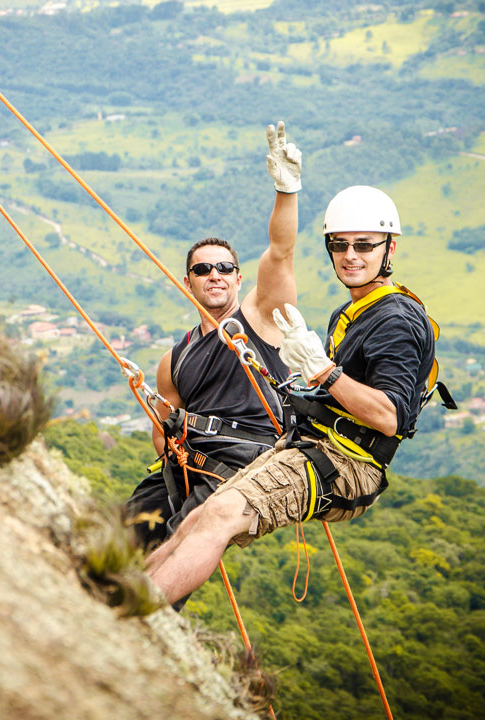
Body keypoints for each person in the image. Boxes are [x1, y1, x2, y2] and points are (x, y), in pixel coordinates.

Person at [144, 185, 443, 604]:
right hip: (314, 446)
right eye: (339, 245)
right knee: (201, 516)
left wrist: (325, 371)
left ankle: (139, 612)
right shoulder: (353, 312)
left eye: (364, 245)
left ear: (388, 249)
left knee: (222, 515)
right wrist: (316, 380)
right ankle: (129, 598)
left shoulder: (396, 319)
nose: (350, 255)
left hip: (347, 463)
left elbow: (389, 417)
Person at [126, 121, 301, 550]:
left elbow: (280, 253)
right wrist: (174, 456)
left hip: (247, 464)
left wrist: (287, 190)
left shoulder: (260, 319)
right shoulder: (174, 360)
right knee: (125, 531)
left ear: (239, 279)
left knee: (179, 545)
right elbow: (164, 426)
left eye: (224, 268)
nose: (214, 275)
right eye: (203, 269)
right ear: (188, 282)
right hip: (192, 465)